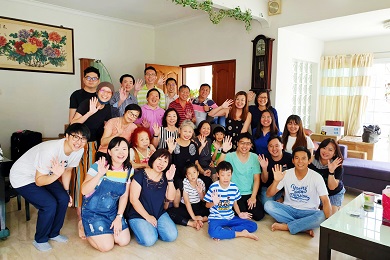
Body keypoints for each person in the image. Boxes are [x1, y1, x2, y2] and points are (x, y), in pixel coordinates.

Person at [9, 123, 90, 252]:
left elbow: (68, 171)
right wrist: (57, 175)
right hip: (22, 177)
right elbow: (39, 181)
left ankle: (54, 233)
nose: (79, 142)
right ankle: (40, 239)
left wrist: (66, 191)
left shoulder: (78, 150)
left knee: (63, 198)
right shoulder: (50, 150)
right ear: (67, 136)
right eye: (75, 137)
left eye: (83, 138)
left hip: (46, 174)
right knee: (49, 204)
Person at [70, 81, 114, 238]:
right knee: (82, 179)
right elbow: (72, 123)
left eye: (109, 92)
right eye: (103, 90)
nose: (105, 94)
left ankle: (91, 214)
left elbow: (106, 126)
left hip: (96, 146)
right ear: (98, 90)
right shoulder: (87, 103)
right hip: (81, 144)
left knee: (95, 180)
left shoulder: (107, 107)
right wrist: (90, 112)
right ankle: (81, 219)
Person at [264, 146, 331, 237]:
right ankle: (303, 227)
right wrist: (276, 181)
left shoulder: (316, 177)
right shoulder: (286, 173)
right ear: (293, 161)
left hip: (309, 212)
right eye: (297, 158)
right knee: (268, 205)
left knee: (322, 216)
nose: (300, 161)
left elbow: (325, 200)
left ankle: (287, 226)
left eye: (303, 158)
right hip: (289, 209)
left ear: (309, 160)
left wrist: (328, 223)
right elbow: (268, 194)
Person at [81, 137, 131, 252]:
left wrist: (119, 217)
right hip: (93, 213)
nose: (121, 153)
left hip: (111, 212)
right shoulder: (98, 165)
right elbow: (84, 190)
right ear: (109, 151)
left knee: (123, 241)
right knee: (107, 247)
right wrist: (99, 174)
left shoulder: (128, 170)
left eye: (124, 149)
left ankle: (102, 232)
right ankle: (84, 225)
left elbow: (124, 196)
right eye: (117, 149)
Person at [127, 149, 178, 247]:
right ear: (153, 159)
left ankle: (152, 228)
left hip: (158, 213)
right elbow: (133, 199)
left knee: (171, 236)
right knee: (149, 240)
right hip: (139, 214)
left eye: (165, 161)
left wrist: (170, 180)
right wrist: (148, 217)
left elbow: (170, 197)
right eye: (159, 159)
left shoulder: (165, 177)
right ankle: (146, 228)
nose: (161, 164)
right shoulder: (140, 175)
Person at [204, 161, 258, 241]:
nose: (226, 178)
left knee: (253, 226)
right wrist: (214, 203)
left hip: (230, 217)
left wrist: (240, 214)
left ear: (231, 175)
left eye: (228, 175)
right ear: (218, 175)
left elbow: (235, 204)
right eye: (223, 175)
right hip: (216, 218)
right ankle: (241, 233)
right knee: (212, 232)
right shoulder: (213, 187)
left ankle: (226, 232)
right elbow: (207, 205)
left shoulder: (234, 187)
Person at [217, 133, 265, 221]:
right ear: (237, 143)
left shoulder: (254, 157)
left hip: (249, 193)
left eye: (248, 143)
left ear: (251, 145)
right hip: (234, 193)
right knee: (240, 214)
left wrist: (253, 196)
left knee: (259, 215)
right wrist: (224, 151)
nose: (245, 146)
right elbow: (219, 165)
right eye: (242, 143)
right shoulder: (230, 156)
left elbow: (256, 179)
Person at [167, 162, 209, 230]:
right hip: (186, 207)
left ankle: (202, 219)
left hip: (198, 206)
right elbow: (187, 202)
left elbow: (203, 200)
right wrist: (193, 217)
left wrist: (200, 192)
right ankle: (191, 223)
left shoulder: (201, 182)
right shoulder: (185, 183)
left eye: (194, 172)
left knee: (213, 209)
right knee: (170, 213)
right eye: (189, 174)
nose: (192, 175)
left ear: (198, 173)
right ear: (186, 176)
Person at [309, 138, 345, 215]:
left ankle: (333, 206)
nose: (326, 152)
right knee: (311, 213)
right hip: (317, 193)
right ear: (320, 148)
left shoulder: (337, 165)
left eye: (330, 150)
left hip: (333, 193)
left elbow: (332, 187)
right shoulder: (311, 160)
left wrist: (331, 171)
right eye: (324, 148)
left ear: (334, 153)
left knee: (330, 217)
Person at [258, 136, 294, 205]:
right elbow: (264, 181)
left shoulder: (289, 158)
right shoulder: (264, 158)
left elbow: (292, 179)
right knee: (267, 205)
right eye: (271, 146)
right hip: (268, 188)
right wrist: (264, 168)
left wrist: (283, 196)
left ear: (282, 146)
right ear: (268, 148)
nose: (274, 149)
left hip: (284, 189)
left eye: (277, 145)